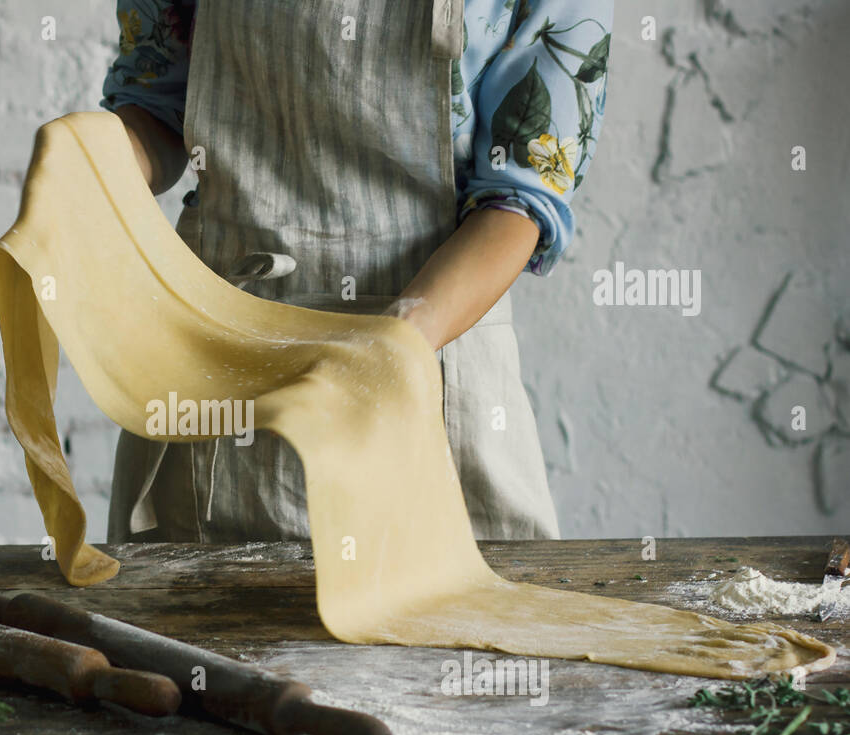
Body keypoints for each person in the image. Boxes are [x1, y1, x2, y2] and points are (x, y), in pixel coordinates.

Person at [99, 0, 612, 544]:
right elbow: (156, 104)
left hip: (432, 371)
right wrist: (90, 156)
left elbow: (521, 198)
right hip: (221, 379)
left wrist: (397, 343)